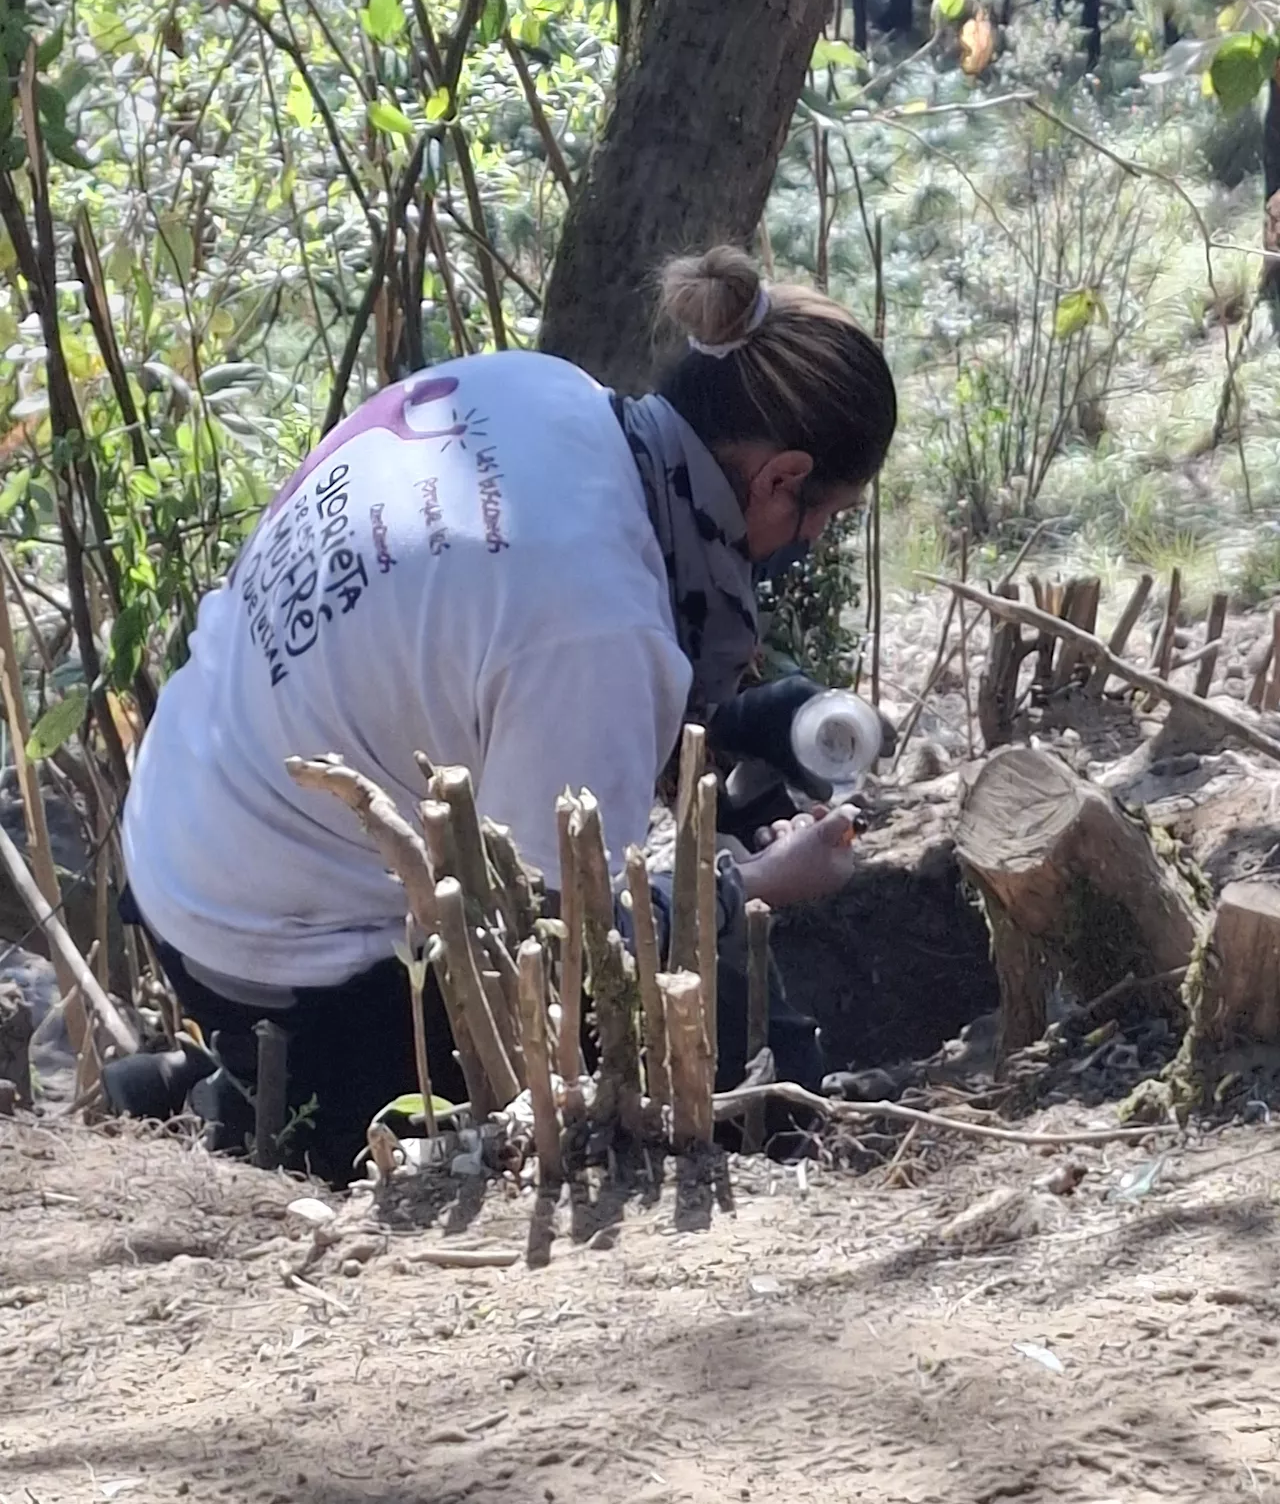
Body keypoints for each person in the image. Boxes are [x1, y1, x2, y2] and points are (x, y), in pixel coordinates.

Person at [113, 245, 897, 1181]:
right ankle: (255, 1108)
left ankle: (229, 1075)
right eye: (824, 518)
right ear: (780, 479)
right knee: (756, 1076)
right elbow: (560, 951)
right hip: (284, 954)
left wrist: (731, 723)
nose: (807, 545)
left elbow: (457, 652)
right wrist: (750, 883)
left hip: (186, 831)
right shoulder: (598, 626)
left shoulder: (537, 390)